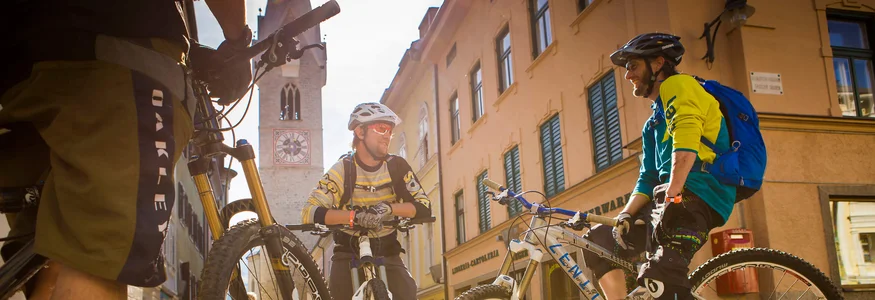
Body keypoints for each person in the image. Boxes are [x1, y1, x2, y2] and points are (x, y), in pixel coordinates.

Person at [0, 0, 252, 298]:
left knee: (53, 258)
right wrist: (238, 41)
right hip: (113, 50)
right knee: (96, 262)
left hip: (18, 67)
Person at [580, 33, 736, 300]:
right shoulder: (653, 123)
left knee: (659, 278)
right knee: (598, 241)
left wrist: (674, 193)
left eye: (633, 66)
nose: (628, 75)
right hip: (666, 200)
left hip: (698, 195)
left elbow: (686, 140)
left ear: (658, 63)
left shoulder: (679, 86)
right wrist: (626, 215)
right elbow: (648, 176)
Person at [301, 102, 431, 300]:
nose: (387, 135)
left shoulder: (397, 167)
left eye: (390, 130)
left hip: (387, 250)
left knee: (407, 291)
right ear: (360, 132)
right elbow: (309, 212)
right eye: (381, 128)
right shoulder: (343, 169)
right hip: (347, 251)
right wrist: (354, 217)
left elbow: (423, 206)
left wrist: (388, 209)